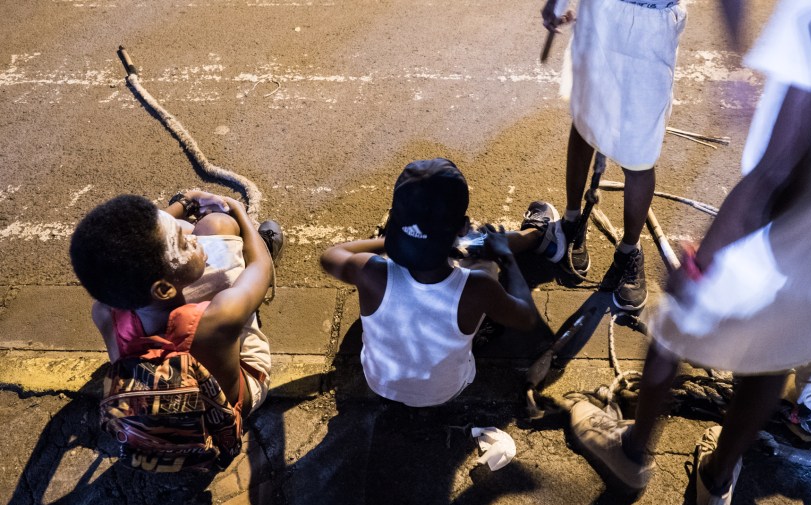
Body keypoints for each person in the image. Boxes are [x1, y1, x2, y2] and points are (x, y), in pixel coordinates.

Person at [569, 0, 811, 505]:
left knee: (673, 324)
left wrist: (701, 269)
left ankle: (631, 453)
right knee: (774, 357)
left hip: (777, 240)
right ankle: (717, 481)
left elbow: (776, 170)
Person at [320, 158, 544, 407]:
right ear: (463, 227)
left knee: (381, 289)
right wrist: (506, 257)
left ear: (395, 220)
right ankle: (540, 235)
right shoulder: (479, 287)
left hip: (379, 383)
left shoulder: (367, 271)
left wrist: (395, 239)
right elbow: (526, 318)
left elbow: (330, 256)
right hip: (445, 392)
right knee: (486, 265)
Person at [70, 189, 283, 421]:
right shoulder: (219, 315)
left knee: (200, 229)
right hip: (227, 407)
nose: (191, 237)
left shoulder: (104, 313)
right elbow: (259, 266)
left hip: (161, 404)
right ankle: (259, 241)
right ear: (163, 289)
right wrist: (240, 213)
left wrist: (186, 202)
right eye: (183, 243)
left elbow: (128, 246)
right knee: (221, 228)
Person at [539, 0, 687, 310]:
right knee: (584, 125)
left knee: (640, 155)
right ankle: (571, 221)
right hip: (602, 14)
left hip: (653, 24)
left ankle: (628, 251)